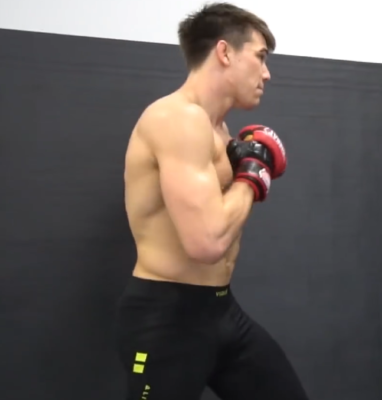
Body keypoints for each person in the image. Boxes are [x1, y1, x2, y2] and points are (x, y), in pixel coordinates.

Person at [116, 3, 309, 399]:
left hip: (220, 310)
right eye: (260, 57)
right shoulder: (178, 119)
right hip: (167, 318)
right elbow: (206, 243)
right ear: (224, 52)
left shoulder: (219, 131)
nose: (267, 74)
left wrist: (245, 171)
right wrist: (252, 176)